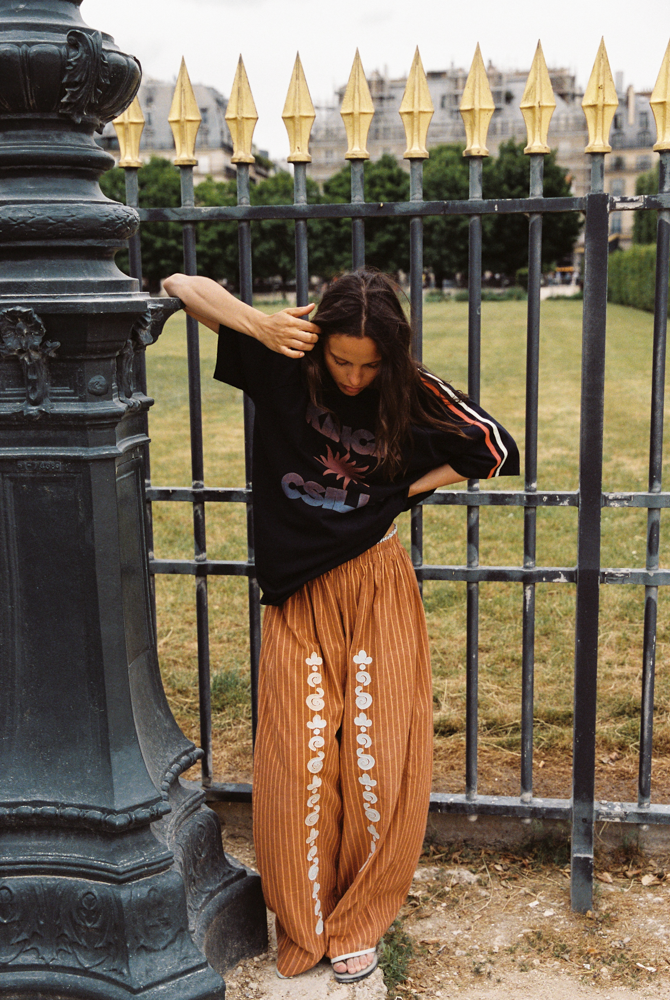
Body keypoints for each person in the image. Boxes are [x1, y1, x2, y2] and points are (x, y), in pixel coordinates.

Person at [163, 269, 519, 983]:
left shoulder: (409, 391)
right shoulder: (284, 361)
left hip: (375, 588)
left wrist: (399, 491)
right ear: (320, 343)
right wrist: (260, 325)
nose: (354, 378)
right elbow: (180, 283)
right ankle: (305, 921)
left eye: (369, 364)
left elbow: (494, 448)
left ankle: (360, 917)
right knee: (296, 759)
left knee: (376, 754)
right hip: (297, 597)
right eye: (342, 361)